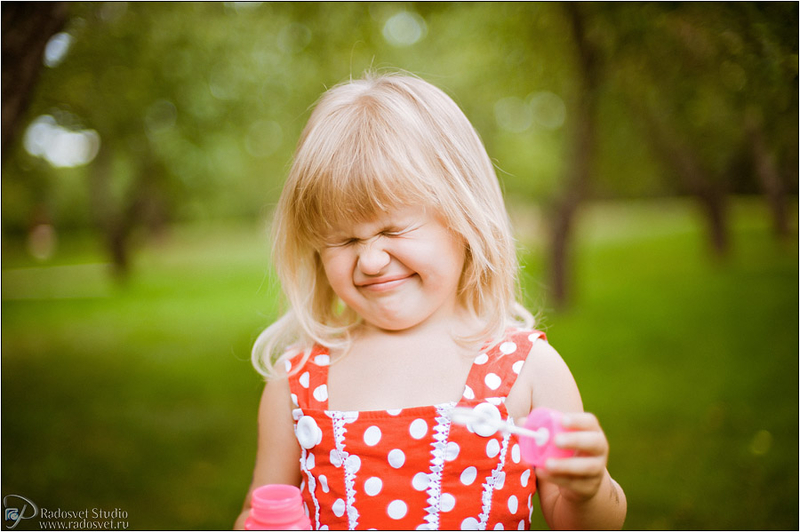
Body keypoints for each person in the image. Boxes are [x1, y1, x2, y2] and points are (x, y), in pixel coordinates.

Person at [234, 71, 626, 530]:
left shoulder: (527, 370)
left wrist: (588, 489)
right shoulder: (296, 382)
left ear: (464, 218)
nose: (371, 260)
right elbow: (259, 510)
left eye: (393, 229)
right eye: (344, 240)